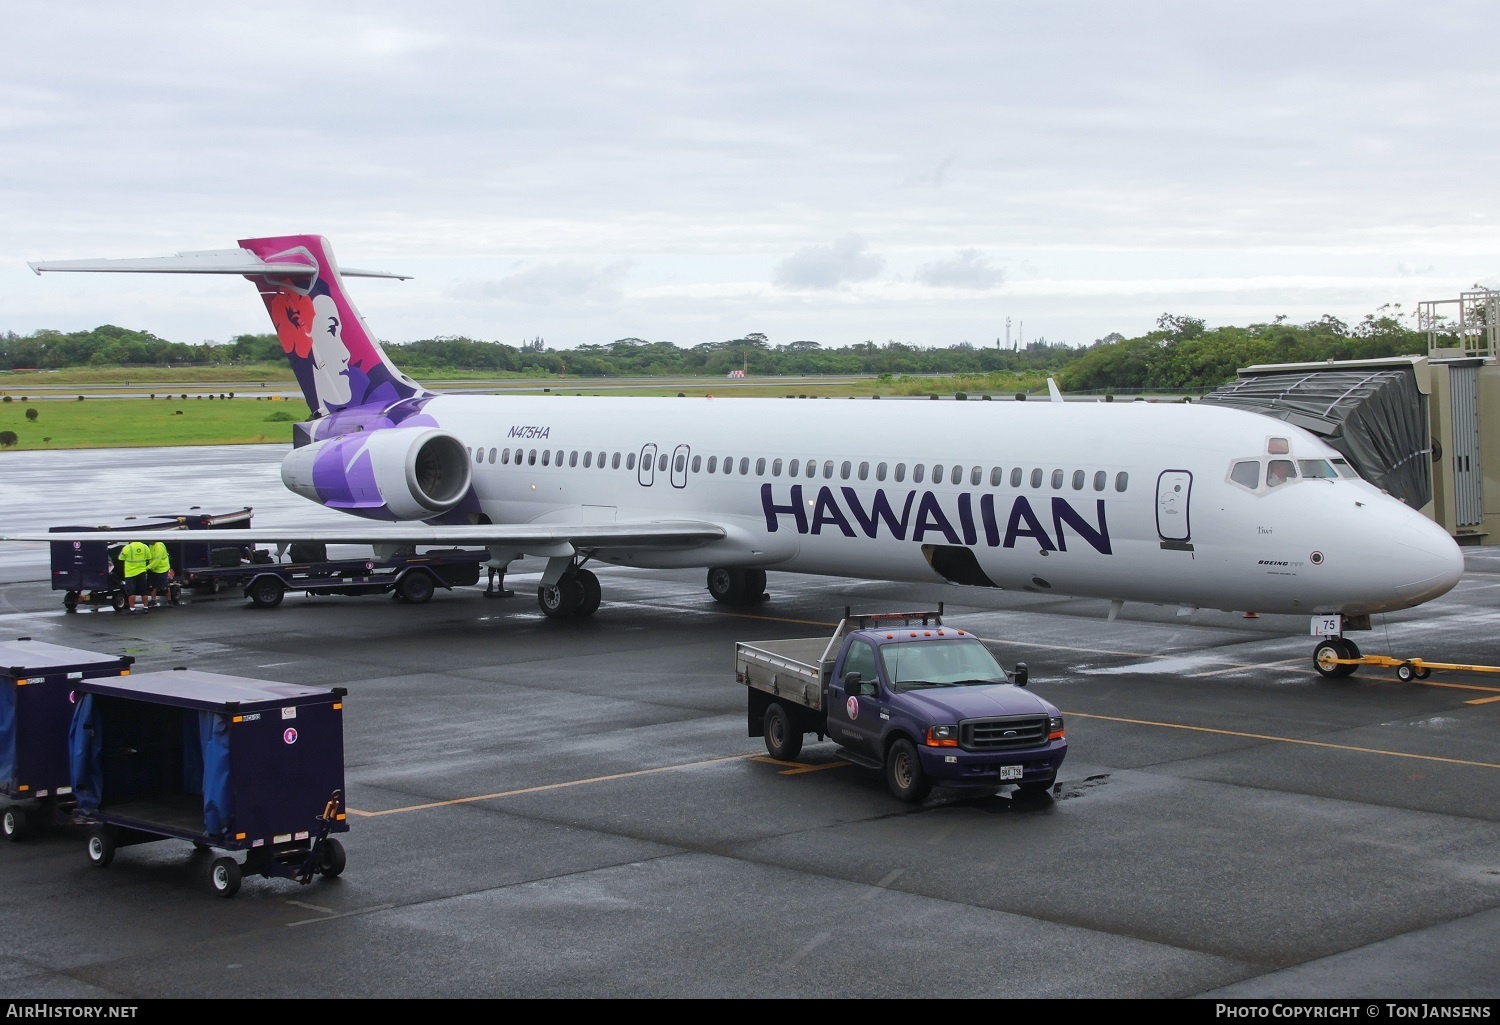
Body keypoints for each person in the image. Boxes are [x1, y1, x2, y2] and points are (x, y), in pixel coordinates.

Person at [118, 539, 151, 613]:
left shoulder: (127, 547)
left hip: (130, 573)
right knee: (144, 591)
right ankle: (145, 607)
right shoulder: (145, 547)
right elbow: (149, 557)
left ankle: (132, 609)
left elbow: (120, 558)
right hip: (142, 572)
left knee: (131, 592)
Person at [146, 540, 174, 608]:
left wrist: (146, 568)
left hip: (162, 569)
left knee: (164, 587)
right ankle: (153, 600)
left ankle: (169, 601)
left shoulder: (159, 546)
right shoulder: (150, 545)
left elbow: (156, 561)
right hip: (153, 569)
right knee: (152, 586)